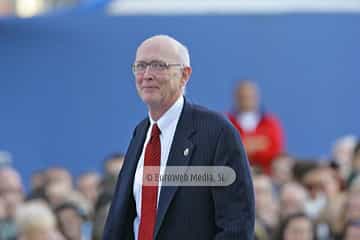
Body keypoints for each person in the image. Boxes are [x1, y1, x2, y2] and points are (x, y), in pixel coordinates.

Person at [103, 35, 255, 240]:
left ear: (184, 75)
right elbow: (123, 220)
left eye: (158, 65)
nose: (146, 75)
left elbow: (236, 226)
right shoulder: (141, 133)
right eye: (140, 66)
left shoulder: (215, 132)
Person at [227, 80, 285, 174]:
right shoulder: (226, 122)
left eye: (250, 96)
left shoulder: (271, 123)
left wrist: (243, 146)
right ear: (236, 97)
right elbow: (226, 150)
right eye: (243, 96)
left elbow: (275, 151)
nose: (247, 99)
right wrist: (258, 144)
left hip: (266, 174)